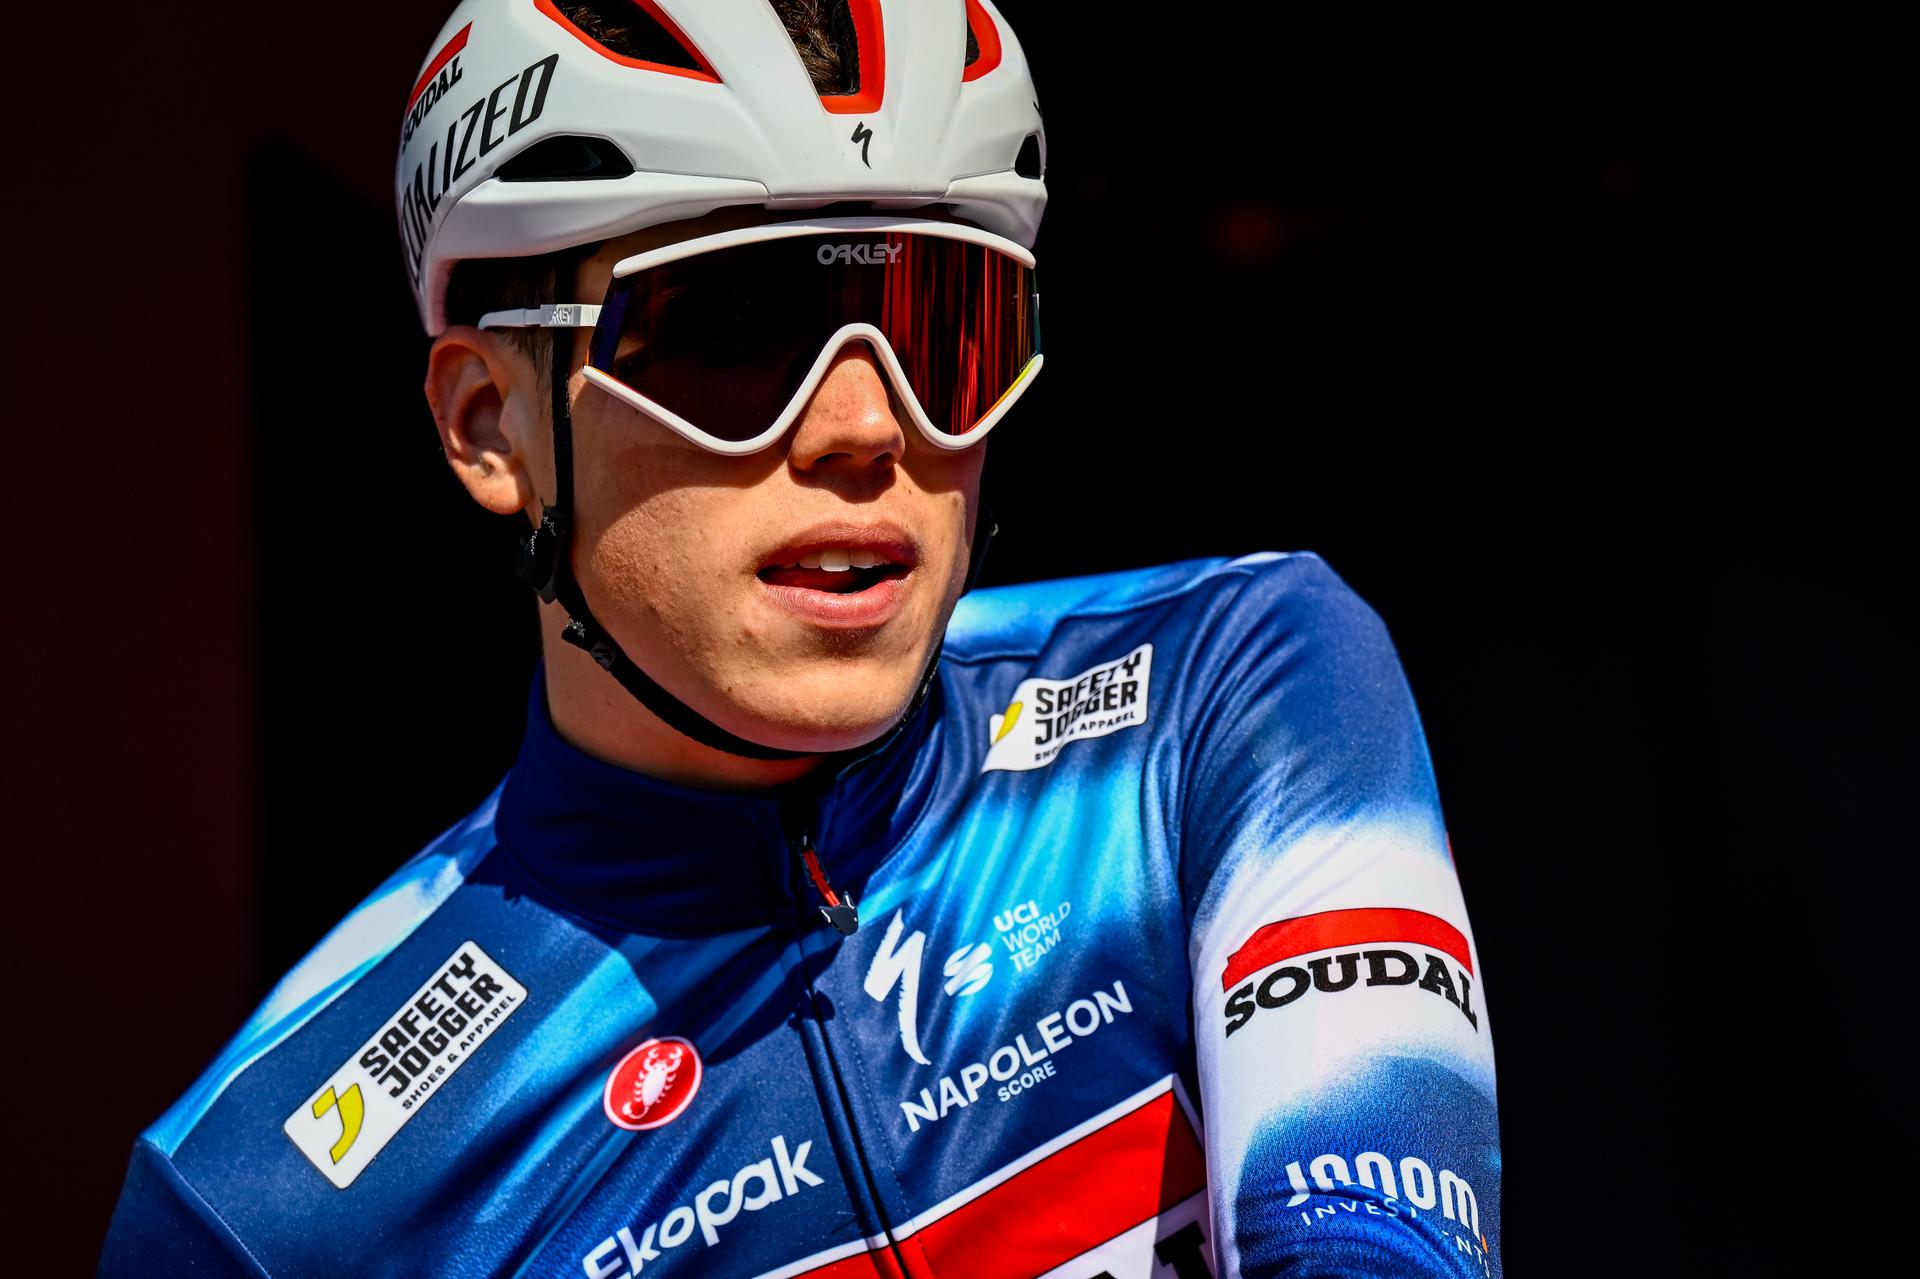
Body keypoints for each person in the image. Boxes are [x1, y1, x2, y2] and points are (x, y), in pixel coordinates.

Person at [100, 2, 1502, 1275]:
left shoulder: (1220, 693)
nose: (868, 429)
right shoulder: (256, 1204)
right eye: (731, 333)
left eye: (938, 324)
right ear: (489, 424)